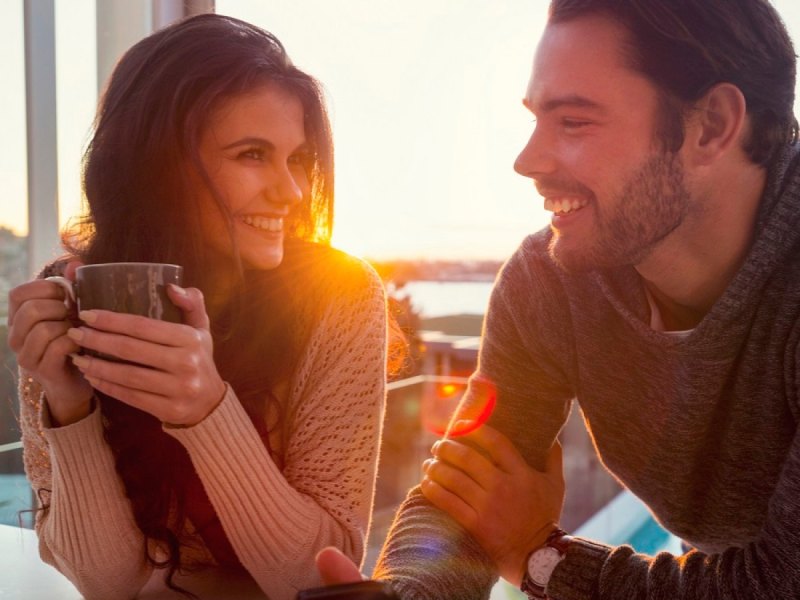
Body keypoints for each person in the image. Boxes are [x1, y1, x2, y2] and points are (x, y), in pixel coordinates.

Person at [317, 0, 800, 598]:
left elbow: (780, 584)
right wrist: (406, 594)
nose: (527, 161)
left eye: (573, 122)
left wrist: (538, 557)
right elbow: (469, 491)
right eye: (536, 119)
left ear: (712, 125)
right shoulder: (550, 280)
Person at [8, 13, 388, 600]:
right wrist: (68, 404)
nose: (290, 191)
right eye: (252, 155)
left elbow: (317, 578)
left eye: (298, 160)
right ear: (156, 168)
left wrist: (206, 410)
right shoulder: (68, 299)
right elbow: (106, 584)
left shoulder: (339, 296)